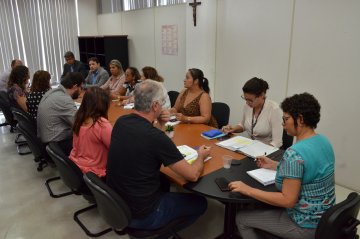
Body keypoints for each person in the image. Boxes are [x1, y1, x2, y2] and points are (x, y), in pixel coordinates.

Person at [107, 80, 209, 233]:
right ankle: (163, 233)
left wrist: (160, 123)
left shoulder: (121, 122)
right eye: (161, 103)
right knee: (201, 203)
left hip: (118, 204)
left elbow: (151, 146)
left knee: (163, 181)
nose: (163, 106)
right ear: (155, 106)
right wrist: (201, 156)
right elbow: (193, 175)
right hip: (144, 214)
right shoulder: (155, 137)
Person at [229, 92, 335, 239]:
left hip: (304, 224)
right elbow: (308, 170)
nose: (283, 124)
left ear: (300, 120)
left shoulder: (294, 153)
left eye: (286, 119)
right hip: (324, 217)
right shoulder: (323, 141)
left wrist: (247, 190)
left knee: (241, 219)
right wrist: (276, 165)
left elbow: (288, 200)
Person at [222, 77, 283, 148]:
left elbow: (277, 142)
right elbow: (243, 125)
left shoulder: (274, 109)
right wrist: (232, 129)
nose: (247, 103)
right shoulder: (247, 106)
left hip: (266, 152)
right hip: (250, 147)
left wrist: (262, 152)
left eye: (250, 100)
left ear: (262, 95)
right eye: (245, 99)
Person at [37, 72, 84, 156]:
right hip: (57, 145)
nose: (81, 91)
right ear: (75, 86)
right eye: (81, 87)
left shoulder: (52, 92)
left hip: (47, 141)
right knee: (92, 140)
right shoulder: (64, 99)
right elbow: (79, 125)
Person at [69, 87, 112, 178]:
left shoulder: (78, 118)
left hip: (75, 166)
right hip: (94, 172)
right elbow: (115, 149)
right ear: (103, 104)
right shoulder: (101, 124)